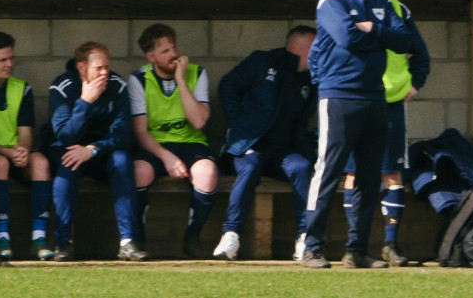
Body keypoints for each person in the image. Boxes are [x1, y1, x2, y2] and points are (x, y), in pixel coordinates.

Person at [302, 0, 418, 269]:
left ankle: (357, 250)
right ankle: (312, 247)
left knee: (369, 176)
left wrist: (373, 28)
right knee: (330, 172)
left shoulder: (380, 3)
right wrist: (378, 34)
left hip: (374, 98)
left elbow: (405, 40)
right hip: (339, 96)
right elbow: (347, 37)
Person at [342, 0, 430, 267]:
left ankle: (390, 246)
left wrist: (415, 84)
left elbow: (420, 53)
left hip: (391, 106)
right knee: (353, 173)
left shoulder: (399, 10)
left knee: (392, 174)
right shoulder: (350, 5)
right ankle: (354, 245)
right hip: (358, 100)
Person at [214, 26, 317, 261]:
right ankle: (231, 235)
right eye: (314, 48)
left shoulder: (311, 80)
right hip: (248, 146)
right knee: (250, 166)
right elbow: (227, 85)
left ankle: (304, 239)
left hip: (281, 153)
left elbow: (301, 123)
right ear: (296, 48)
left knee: (302, 167)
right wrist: (238, 125)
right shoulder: (263, 61)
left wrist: (309, 155)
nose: (320, 53)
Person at [41, 41, 147, 261]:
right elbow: (65, 135)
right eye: (98, 68)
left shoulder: (117, 86)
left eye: (107, 66)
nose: (104, 72)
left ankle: (128, 242)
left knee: (122, 160)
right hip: (68, 147)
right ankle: (63, 243)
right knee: (67, 164)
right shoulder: (61, 86)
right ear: (82, 68)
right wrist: (85, 101)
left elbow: (122, 134)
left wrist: (93, 149)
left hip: (100, 150)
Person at [128, 24, 216, 258]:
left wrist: (181, 79)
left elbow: (198, 122)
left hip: (190, 142)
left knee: (207, 174)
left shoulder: (197, 73)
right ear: (151, 56)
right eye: (165, 51)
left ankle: (192, 238)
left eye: (174, 48)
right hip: (155, 145)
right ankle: (137, 240)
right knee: (138, 172)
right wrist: (167, 157)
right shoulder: (139, 79)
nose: (173, 55)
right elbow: (140, 132)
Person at [0, 32, 54, 261]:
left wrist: (23, 150)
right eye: (2, 60)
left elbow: (26, 133)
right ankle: (2, 237)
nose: (9, 64)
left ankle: (39, 238)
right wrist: (7, 152)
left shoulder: (22, 88)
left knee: (41, 162)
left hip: (15, 153)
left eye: (12, 58)